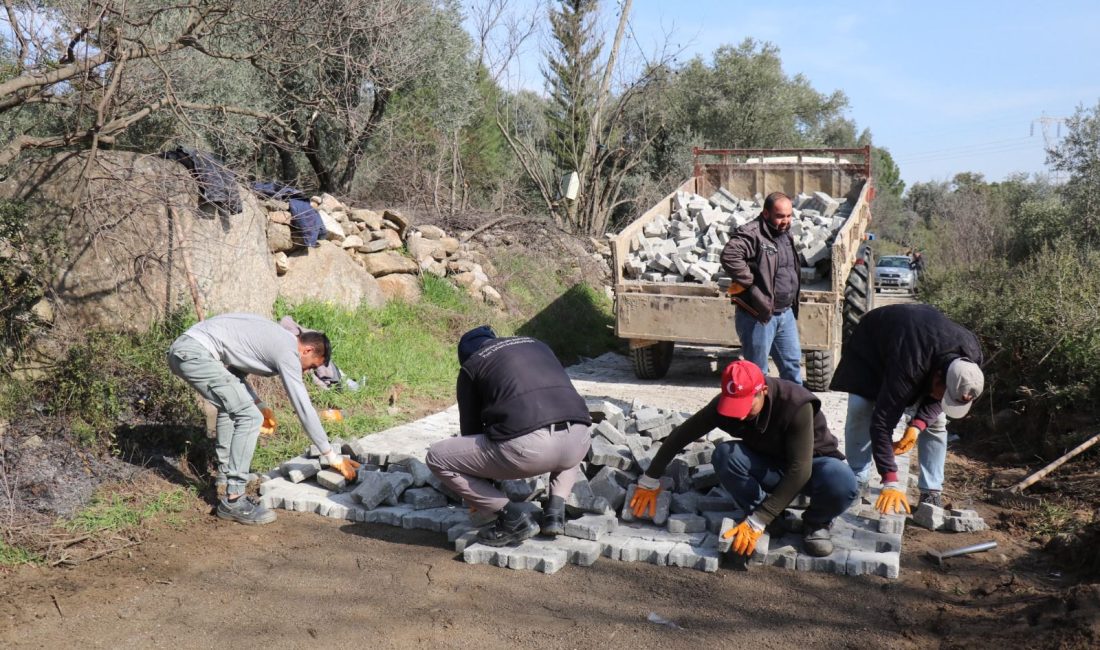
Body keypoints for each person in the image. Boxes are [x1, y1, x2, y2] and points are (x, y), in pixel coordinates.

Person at [629, 360, 857, 559]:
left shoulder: (796, 404)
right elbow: (683, 434)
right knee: (725, 455)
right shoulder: (724, 406)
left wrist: (760, 519)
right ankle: (773, 519)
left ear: (763, 391)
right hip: (768, 465)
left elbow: (800, 469)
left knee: (842, 481)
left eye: (747, 406)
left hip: (812, 467)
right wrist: (650, 478)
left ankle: (816, 522)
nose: (740, 414)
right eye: (735, 406)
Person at [166, 313, 360, 525]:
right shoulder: (288, 351)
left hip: (185, 350)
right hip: (193, 354)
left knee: (237, 409)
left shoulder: (276, 339)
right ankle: (234, 501)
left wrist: (259, 405)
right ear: (307, 350)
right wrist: (330, 455)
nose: (306, 371)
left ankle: (225, 476)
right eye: (312, 366)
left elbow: (235, 374)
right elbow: (303, 407)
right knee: (248, 417)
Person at [425, 326, 592, 547]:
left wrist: (483, 491)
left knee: (436, 457)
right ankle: (554, 512)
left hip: (532, 450)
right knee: (567, 433)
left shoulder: (472, 366)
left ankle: (513, 518)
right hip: (581, 439)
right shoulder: (537, 344)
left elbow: (471, 430)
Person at [829, 304, 984, 513]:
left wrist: (917, 426)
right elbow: (882, 423)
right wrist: (890, 480)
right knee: (861, 408)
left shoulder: (970, 363)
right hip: (873, 346)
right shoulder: (910, 366)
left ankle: (931, 491)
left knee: (937, 423)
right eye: (944, 394)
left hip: (920, 345)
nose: (943, 400)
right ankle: (858, 479)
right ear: (937, 377)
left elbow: (939, 398)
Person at [720, 191, 803, 384]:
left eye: (789, 216)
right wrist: (752, 283)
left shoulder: (784, 234)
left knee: (792, 368)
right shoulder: (752, 233)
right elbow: (729, 256)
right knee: (757, 374)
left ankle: (793, 412)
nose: (786, 221)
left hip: (785, 314)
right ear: (766, 214)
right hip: (758, 316)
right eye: (780, 216)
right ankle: (760, 413)